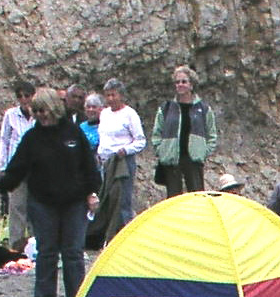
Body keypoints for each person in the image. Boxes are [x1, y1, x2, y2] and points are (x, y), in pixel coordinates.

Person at [0, 88, 96, 297]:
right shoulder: (32, 138)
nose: (41, 115)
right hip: (42, 202)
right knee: (47, 251)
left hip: (74, 202)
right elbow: (17, 168)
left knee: (72, 252)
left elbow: (88, 167)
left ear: (54, 109)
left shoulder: (73, 133)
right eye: (37, 111)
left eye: (43, 110)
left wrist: (92, 192)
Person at [88, 78, 147, 244]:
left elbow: (141, 141)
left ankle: (124, 238)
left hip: (122, 163)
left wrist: (125, 150)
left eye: (113, 95)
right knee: (106, 199)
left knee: (121, 200)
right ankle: (106, 236)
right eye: (107, 95)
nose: (111, 99)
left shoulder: (130, 114)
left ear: (121, 95)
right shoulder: (105, 114)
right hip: (105, 163)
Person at [152, 66, 218, 197]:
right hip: (172, 160)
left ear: (191, 85)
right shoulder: (166, 108)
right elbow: (156, 133)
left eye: (184, 81)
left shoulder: (204, 109)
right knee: (173, 199)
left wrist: (203, 152)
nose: (180, 85)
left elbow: (212, 135)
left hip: (193, 161)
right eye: (177, 82)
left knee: (197, 197)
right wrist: (161, 150)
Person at [0, 80, 36, 250]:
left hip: (36, 167)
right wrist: (3, 166)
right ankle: (16, 244)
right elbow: (4, 139)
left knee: (35, 205)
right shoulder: (10, 115)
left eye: (26, 96)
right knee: (17, 206)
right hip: (16, 166)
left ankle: (35, 243)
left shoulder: (39, 114)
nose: (23, 99)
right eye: (20, 96)